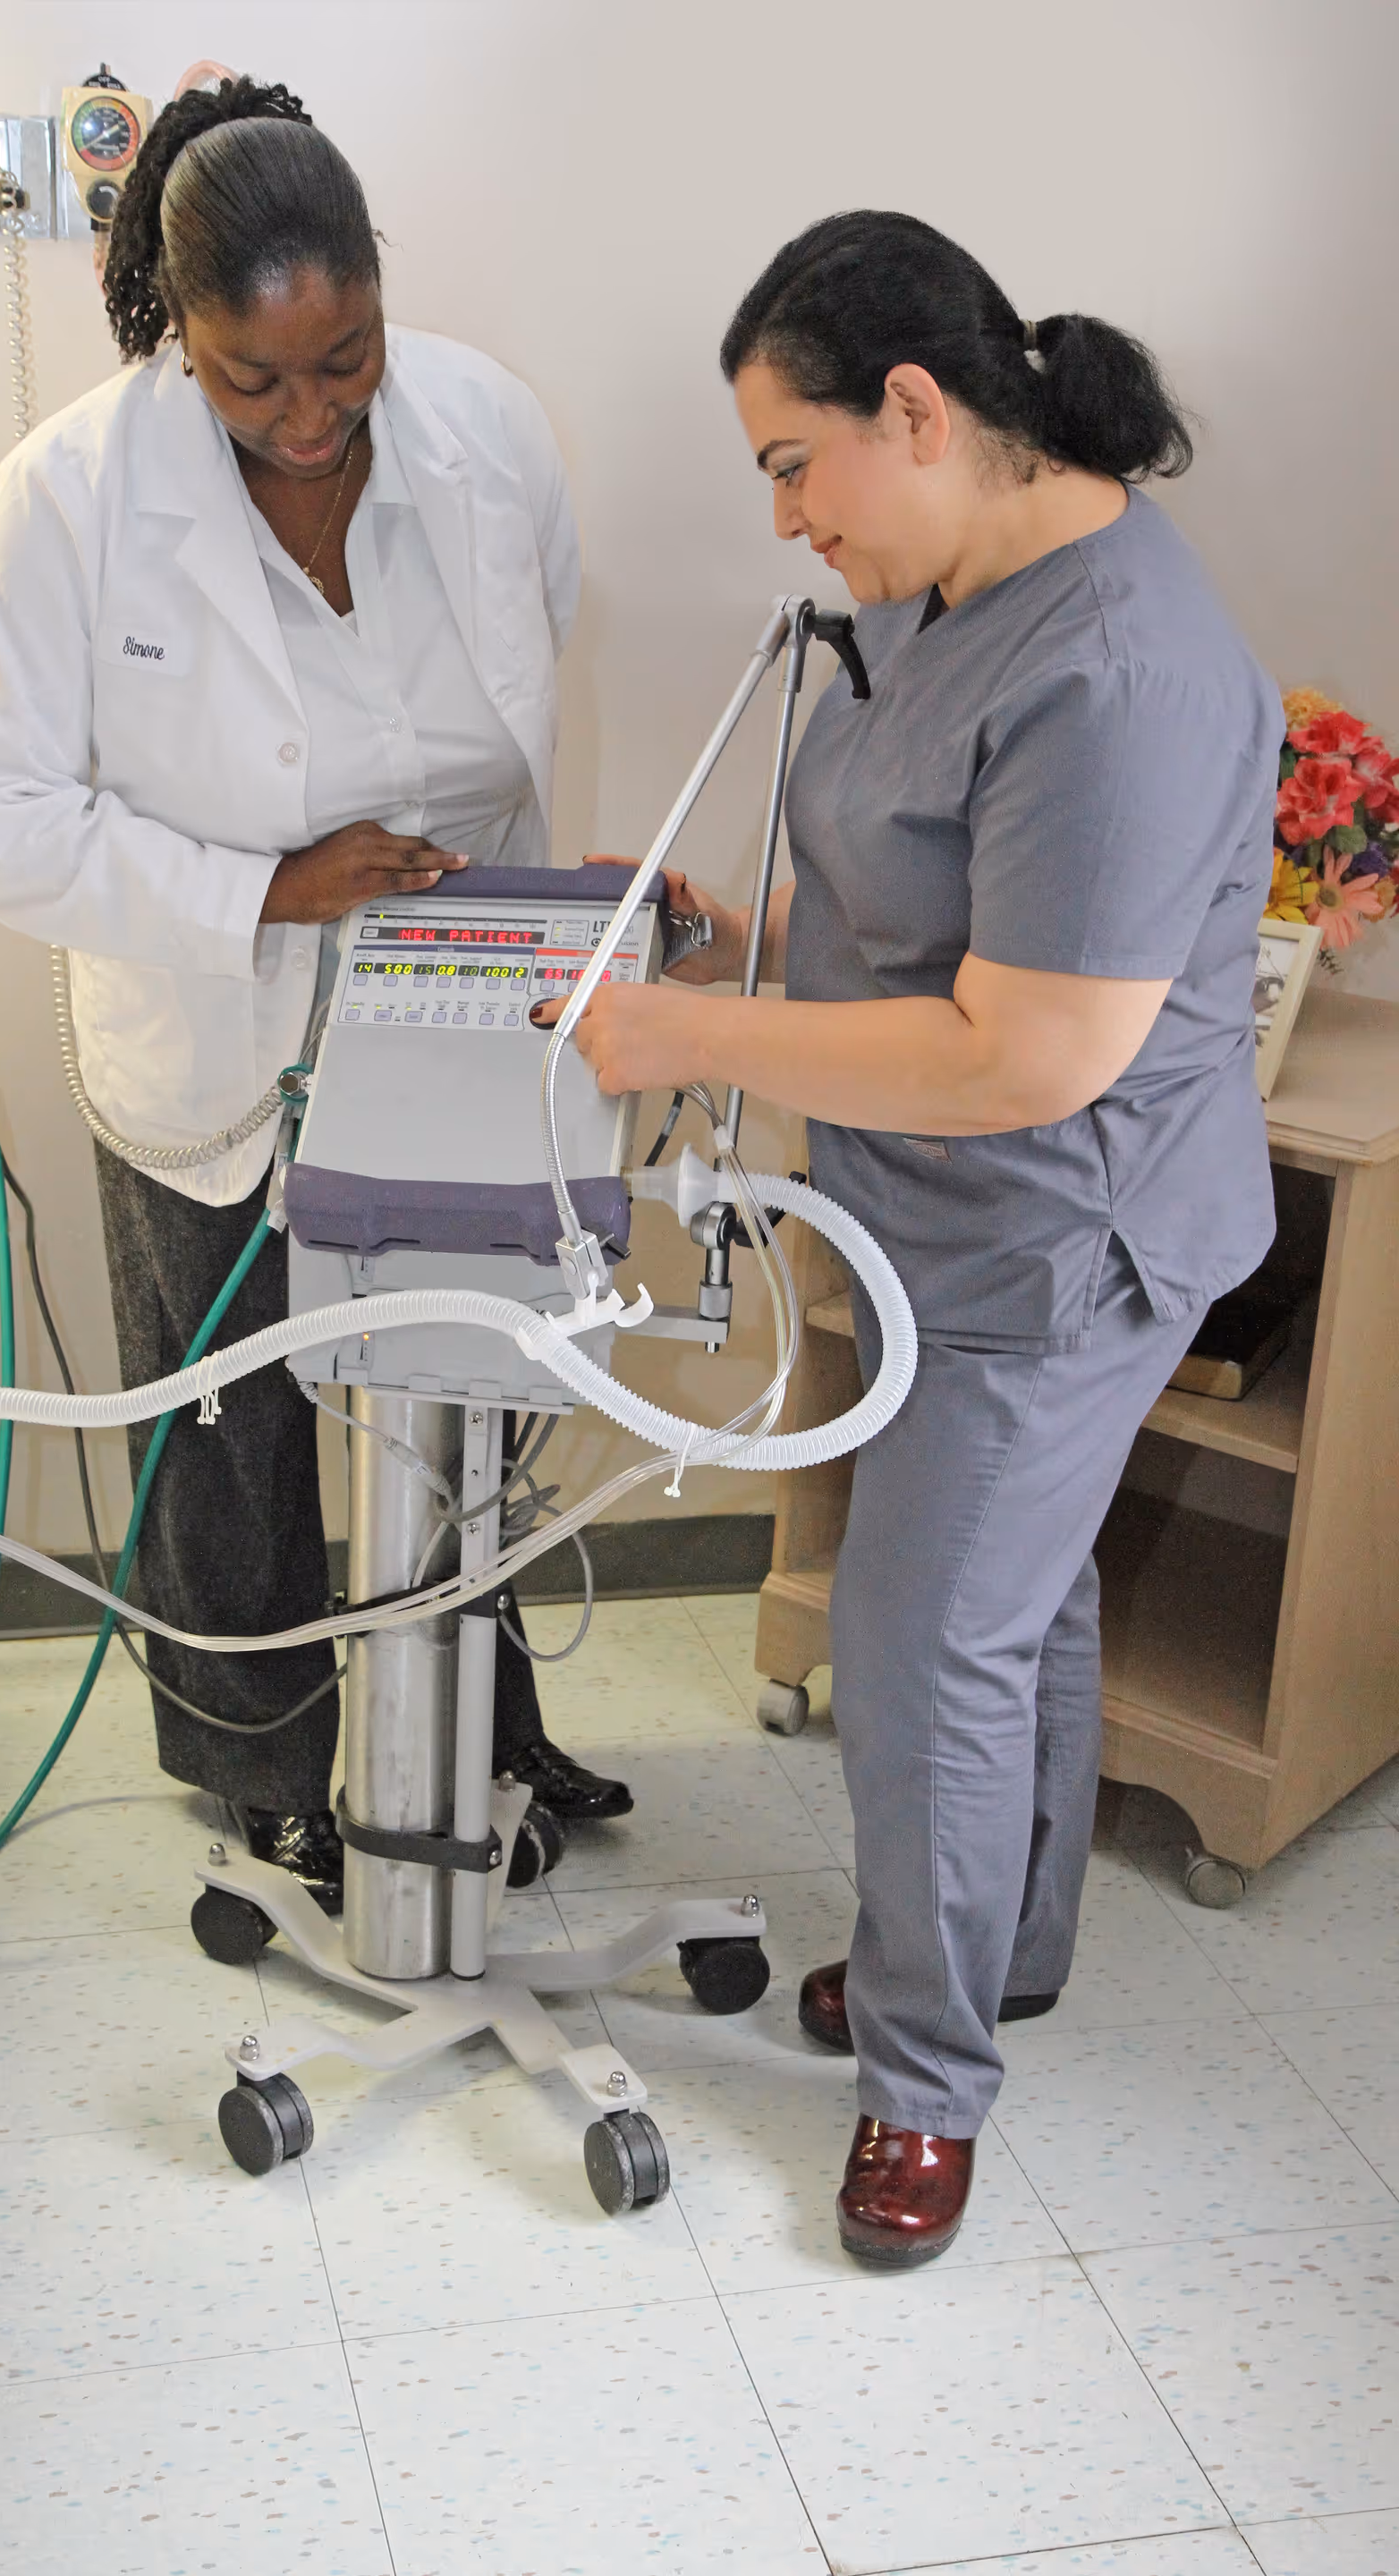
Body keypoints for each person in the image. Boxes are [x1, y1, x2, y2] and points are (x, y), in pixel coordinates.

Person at [550, 211, 1281, 2264]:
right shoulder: (965, 586)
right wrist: (727, 932)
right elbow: (927, 916)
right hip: (930, 1226)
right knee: (1013, 1612)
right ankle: (1005, 1948)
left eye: (794, 466)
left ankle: (926, 2081)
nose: (786, 521)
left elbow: (1029, 1048)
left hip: (1062, 1247)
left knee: (921, 1642)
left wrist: (685, 1034)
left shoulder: (1120, 665)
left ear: (918, 409)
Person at [0, 76, 633, 1914]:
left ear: (382, 296)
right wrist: (264, 891)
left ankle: (480, 1718)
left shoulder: (484, 428)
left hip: (456, 991)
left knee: (456, 1386)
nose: (314, 419)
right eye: (260, 383)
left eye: (350, 362)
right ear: (182, 338)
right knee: (230, 1420)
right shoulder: (67, 499)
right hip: (204, 1022)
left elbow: (541, 641)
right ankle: (264, 1765)